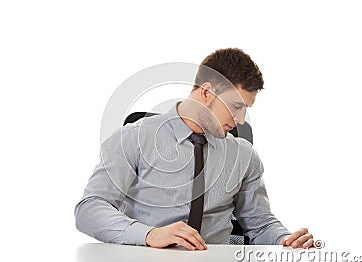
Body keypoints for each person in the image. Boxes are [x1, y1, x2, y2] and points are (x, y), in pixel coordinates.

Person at [75, 48, 314, 251]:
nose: (241, 120)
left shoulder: (244, 155)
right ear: (207, 92)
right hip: (147, 260)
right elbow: (89, 208)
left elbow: (260, 224)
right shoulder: (135, 138)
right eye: (236, 106)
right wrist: (148, 235)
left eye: (245, 109)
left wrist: (285, 240)